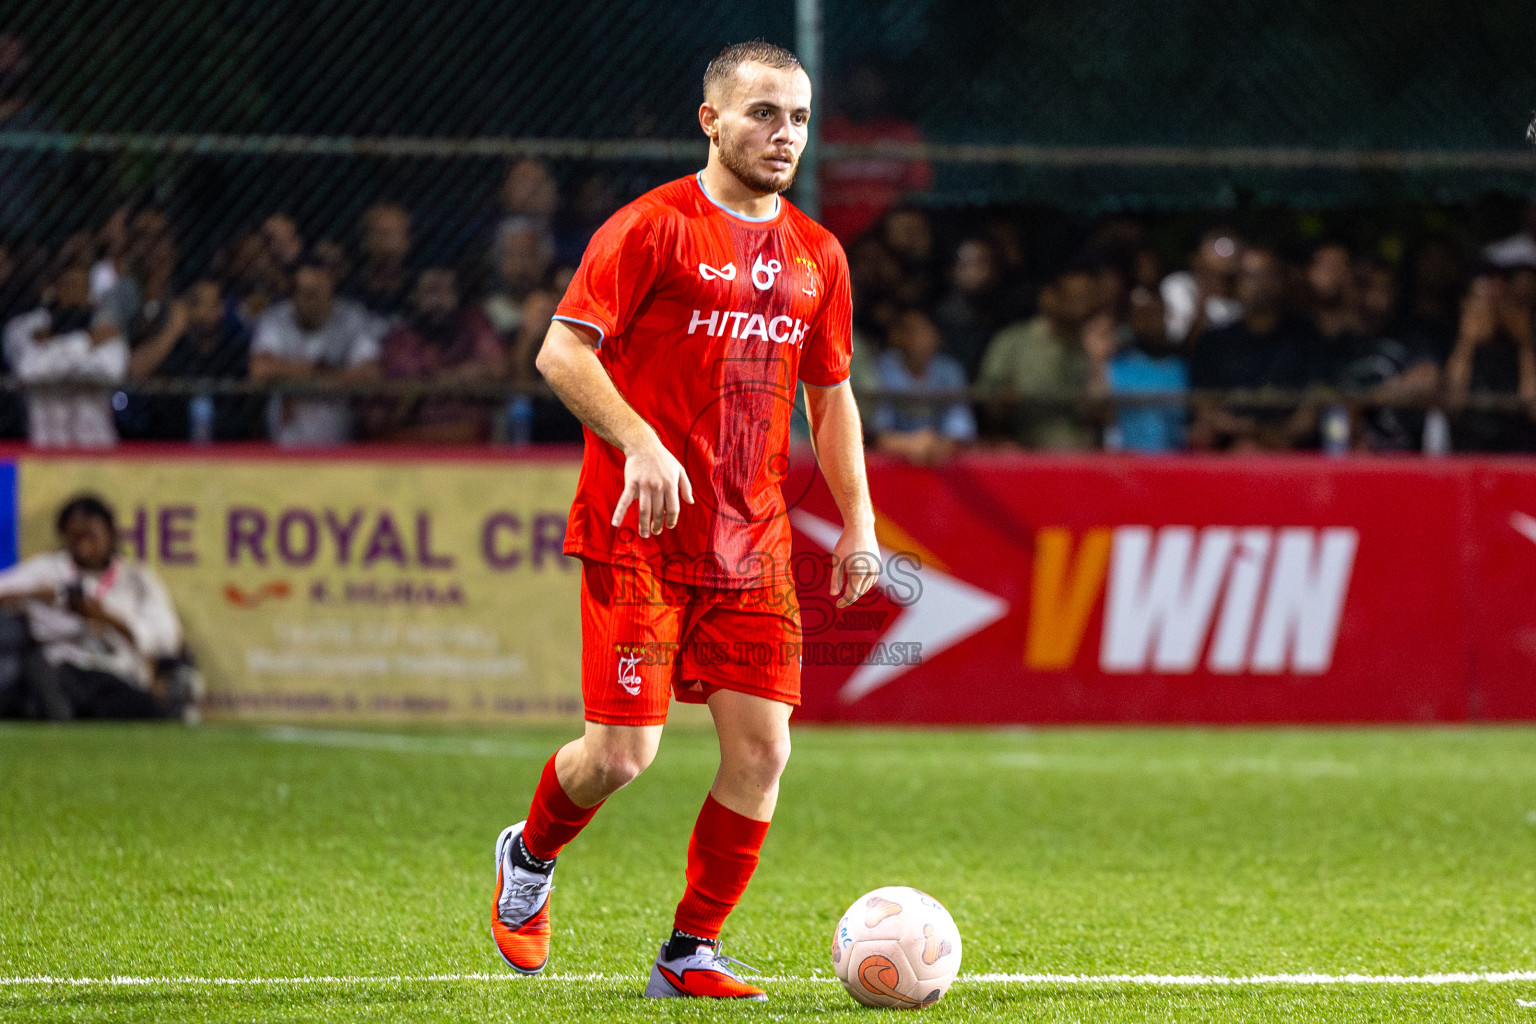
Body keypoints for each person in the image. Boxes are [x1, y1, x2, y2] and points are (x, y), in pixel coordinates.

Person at [491, 40, 878, 1002]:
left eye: (796, 116)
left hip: (754, 545)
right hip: (640, 536)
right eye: (761, 113)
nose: (783, 133)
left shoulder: (818, 255)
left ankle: (691, 950)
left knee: (764, 750)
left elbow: (831, 398)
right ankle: (530, 853)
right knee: (622, 756)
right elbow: (561, 354)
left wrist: (861, 524)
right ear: (711, 120)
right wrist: (641, 443)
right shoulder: (650, 228)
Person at [0, 495, 194, 721]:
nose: (83, 545)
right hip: (60, 666)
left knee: (143, 709)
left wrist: (105, 617)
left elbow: (167, 638)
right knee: (38, 678)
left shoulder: (136, 580)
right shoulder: (49, 570)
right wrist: (34, 594)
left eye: (91, 536)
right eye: (75, 537)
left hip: (116, 673)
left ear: (110, 534)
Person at [1188, 246, 1317, 452]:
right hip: (1229, 455)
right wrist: (1246, 433)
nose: (1259, 285)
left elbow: (1311, 408)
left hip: (1289, 456)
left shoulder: (1306, 338)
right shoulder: (1213, 341)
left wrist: (1270, 442)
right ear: (1236, 283)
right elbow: (1204, 408)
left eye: (1266, 276)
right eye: (1250, 276)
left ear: (1280, 281)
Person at [249, 253, 383, 446]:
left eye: (320, 292)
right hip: (285, 448)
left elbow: (371, 373)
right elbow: (260, 370)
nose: (314, 301)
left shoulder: (351, 317)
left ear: (331, 290)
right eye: (307, 293)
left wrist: (294, 379)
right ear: (294, 295)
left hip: (340, 447)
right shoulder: (276, 319)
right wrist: (329, 374)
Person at [976, 261, 1108, 450]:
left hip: (1083, 457)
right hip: (1026, 454)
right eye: (1074, 296)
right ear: (1049, 296)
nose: (1082, 305)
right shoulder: (1013, 340)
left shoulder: (1093, 345)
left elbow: (1101, 414)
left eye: (1086, 296)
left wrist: (1098, 364)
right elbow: (986, 398)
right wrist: (1003, 399)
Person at [366, 267, 506, 442]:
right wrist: (457, 379)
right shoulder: (399, 339)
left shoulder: (474, 324)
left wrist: (442, 380)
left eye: (447, 291)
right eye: (431, 291)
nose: (439, 300)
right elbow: (398, 399)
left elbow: (498, 368)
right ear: (414, 296)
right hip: (412, 440)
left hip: (469, 439)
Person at [3, 261, 127, 448]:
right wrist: (87, 342)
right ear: (51, 288)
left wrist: (52, 348)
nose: (77, 295)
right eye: (69, 285)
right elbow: (29, 369)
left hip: (97, 447)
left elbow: (112, 370)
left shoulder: (104, 327)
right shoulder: (22, 327)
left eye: (83, 287)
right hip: (45, 448)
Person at [124, 279, 255, 440]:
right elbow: (134, 372)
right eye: (198, 303)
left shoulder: (234, 350)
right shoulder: (172, 347)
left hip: (226, 447)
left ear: (222, 308)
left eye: (212, 304)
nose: (206, 312)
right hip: (172, 445)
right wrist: (173, 329)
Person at [872, 306, 976, 464]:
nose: (917, 340)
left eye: (923, 332)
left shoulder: (949, 371)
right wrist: (911, 445)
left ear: (936, 335)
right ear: (896, 336)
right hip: (894, 460)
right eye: (909, 332)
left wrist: (935, 446)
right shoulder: (882, 369)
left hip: (939, 455)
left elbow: (961, 428)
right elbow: (877, 432)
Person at [345, 202, 414, 323]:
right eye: (379, 234)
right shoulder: (346, 292)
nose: (388, 243)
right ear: (364, 242)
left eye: (394, 234)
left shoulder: (418, 290)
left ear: (407, 240)